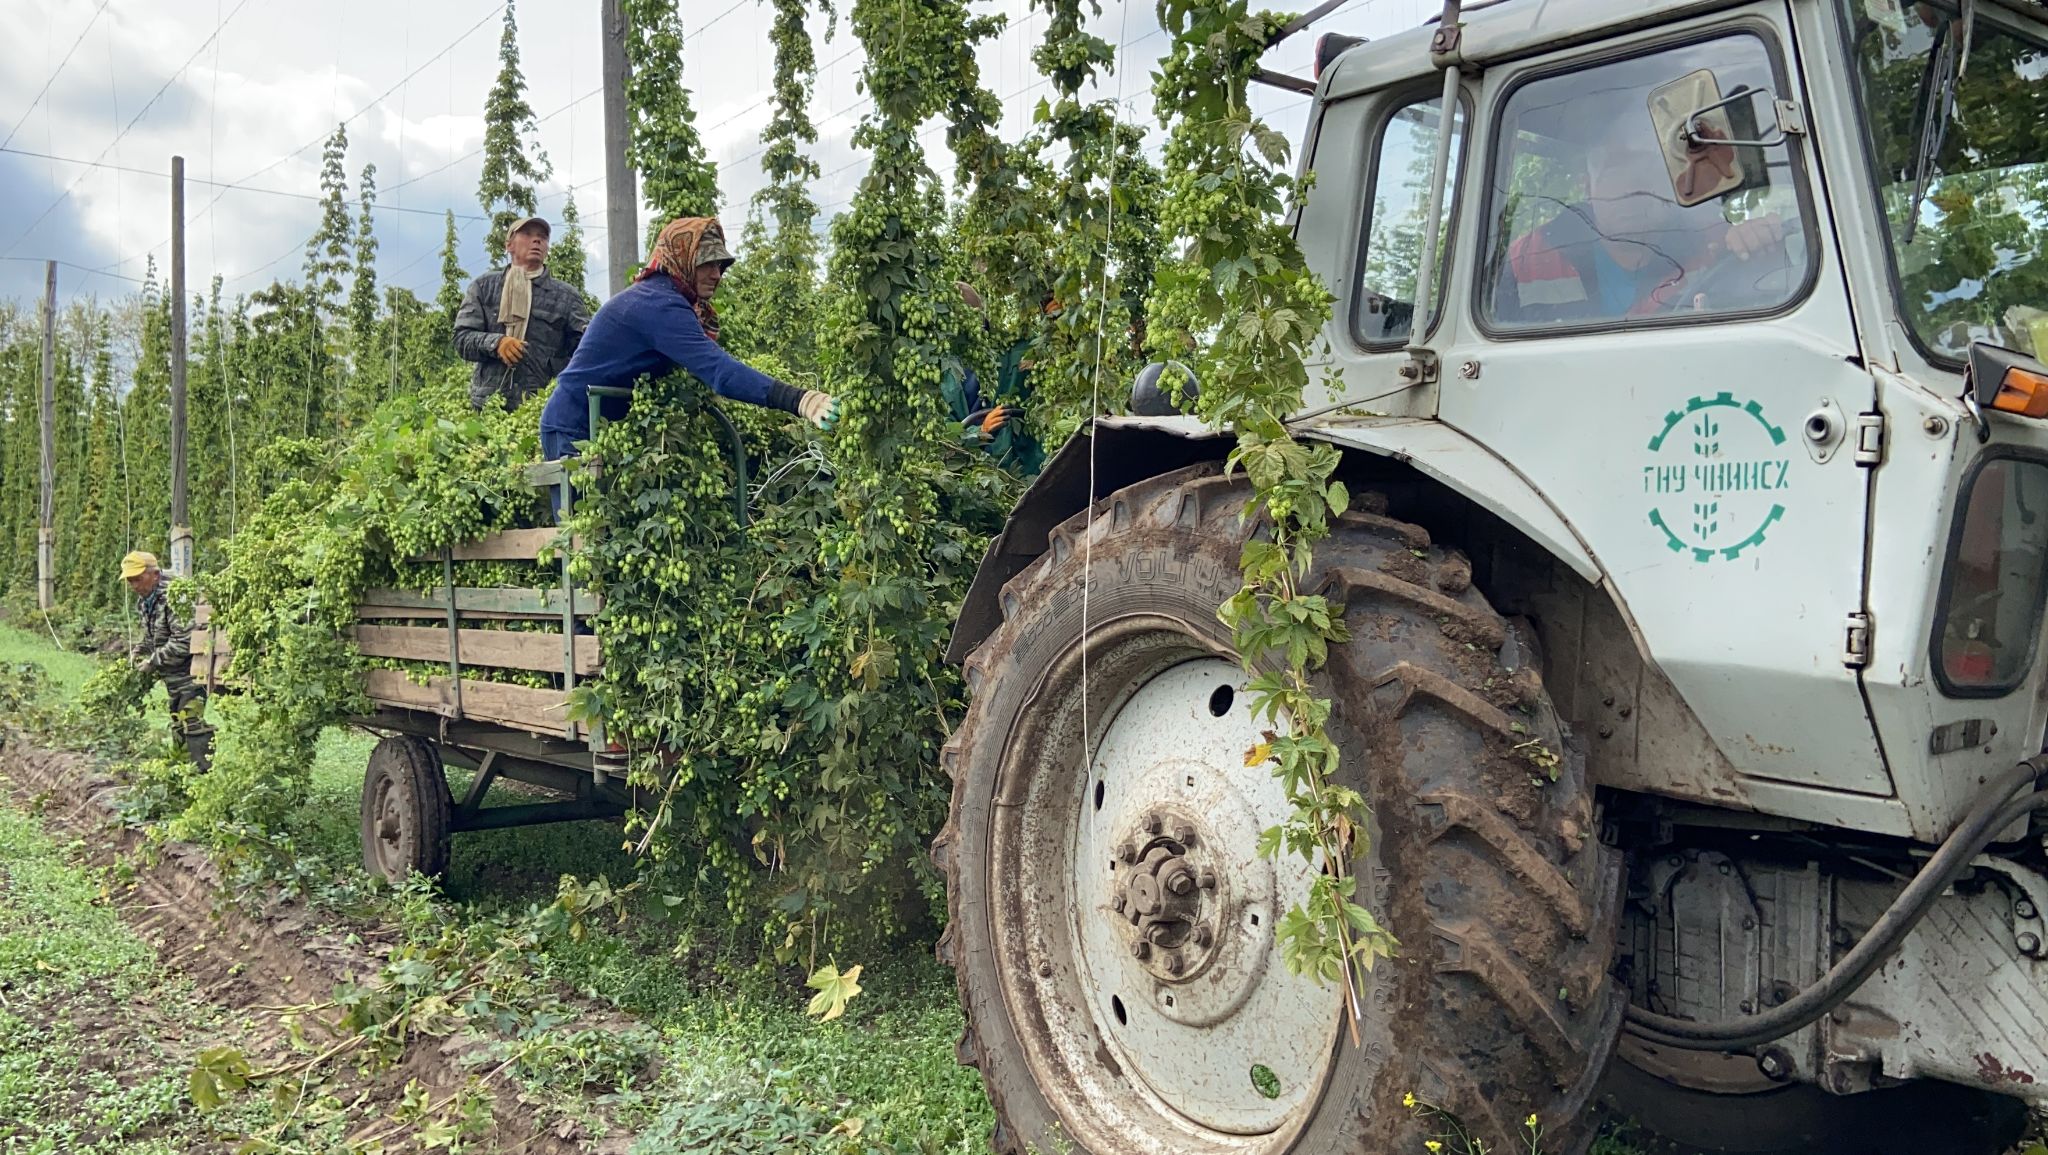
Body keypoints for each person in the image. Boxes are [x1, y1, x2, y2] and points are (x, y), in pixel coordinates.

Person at [539, 217, 839, 470]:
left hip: (604, 427)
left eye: (721, 265)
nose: (716, 274)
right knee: (583, 536)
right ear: (681, 258)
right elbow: (719, 371)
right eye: (706, 263)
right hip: (574, 425)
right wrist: (799, 400)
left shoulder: (671, 302)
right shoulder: (656, 304)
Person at [1493, 117, 1791, 325]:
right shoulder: (1529, 260)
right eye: (1615, 172)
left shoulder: (1717, 246)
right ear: (1588, 188)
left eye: (1649, 172)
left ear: (1670, 186)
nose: (1632, 189)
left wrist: (1762, 248)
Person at [454, 216, 590, 411]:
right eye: (527, 234)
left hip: (542, 406)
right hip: (488, 405)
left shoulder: (566, 296)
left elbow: (584, 349)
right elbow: (461, 339)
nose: (537, 240)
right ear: (509, 245)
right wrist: (496, 343)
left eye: (542, 237)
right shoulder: (484, 287)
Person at [120, 551, 213, 772]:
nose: (133, 585)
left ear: (154, 574)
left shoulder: (176, 596)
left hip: (191, 670)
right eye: (129, 580)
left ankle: (201, 775)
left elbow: (184, 640)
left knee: (190, 719)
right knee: (177, 718)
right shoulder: (146, 600)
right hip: (172, 674)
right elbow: (153, 635)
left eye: (137, 578)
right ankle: (182, 773)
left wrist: (152, 662)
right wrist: (140, 649)